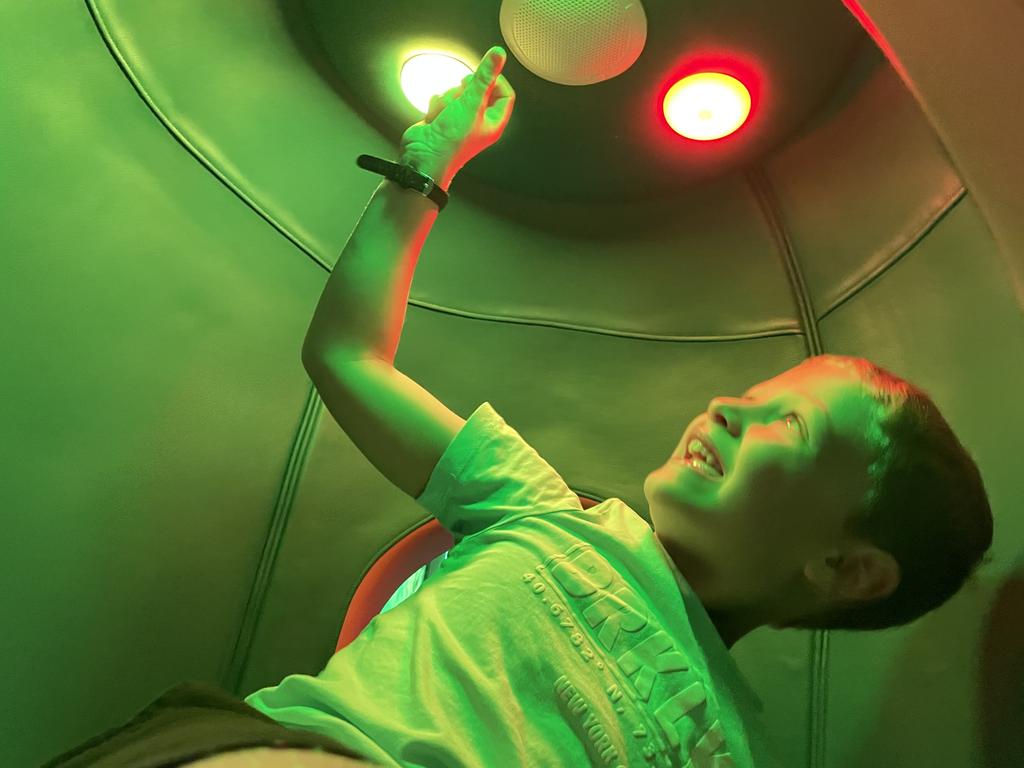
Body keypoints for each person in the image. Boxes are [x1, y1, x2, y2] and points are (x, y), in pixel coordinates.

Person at [45, 45, 993, 768]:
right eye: (750, 393)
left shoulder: (721, 751)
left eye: (785, 422)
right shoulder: (548, 514)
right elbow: (347, 356)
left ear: (845, 566)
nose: (727, 408)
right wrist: (430, 170)